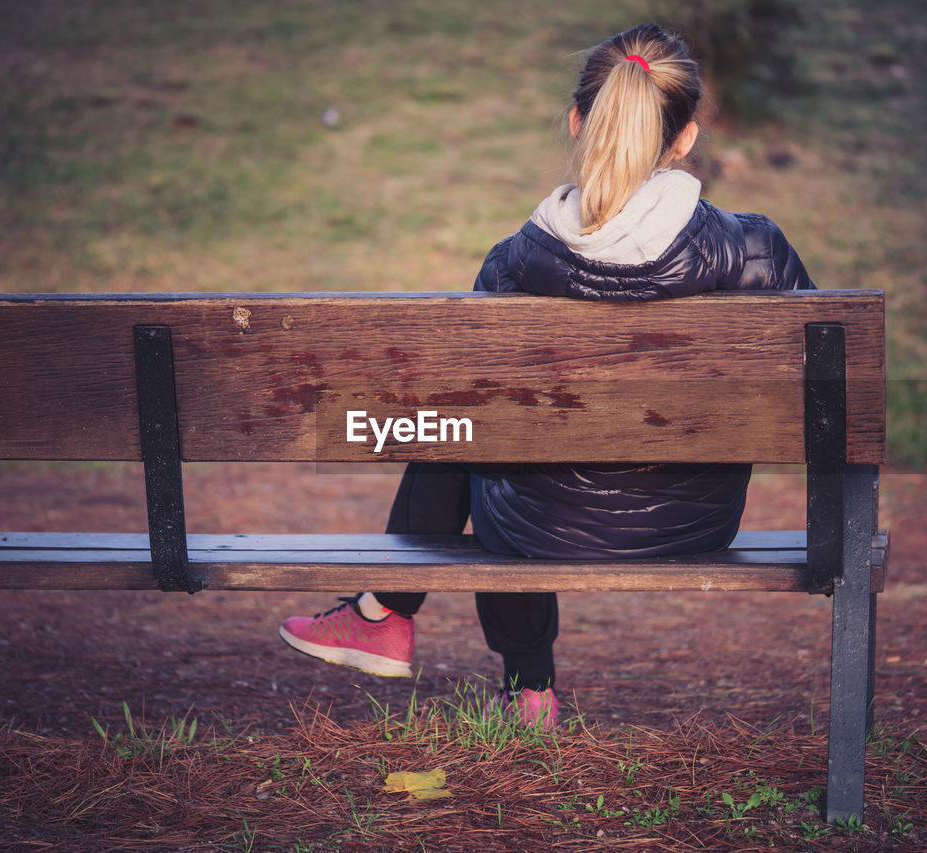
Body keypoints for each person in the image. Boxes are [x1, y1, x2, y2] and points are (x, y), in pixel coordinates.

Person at [279, 22, 815, 728]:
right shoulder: (757, 250)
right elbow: (825, 392)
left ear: (576, 122)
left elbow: (470, 413)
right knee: (478, 431)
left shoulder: (515, 262)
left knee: (463, 430)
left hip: (539, 526)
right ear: (684, 137)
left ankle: (499, 673)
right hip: (698, 520)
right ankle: (385, 612)